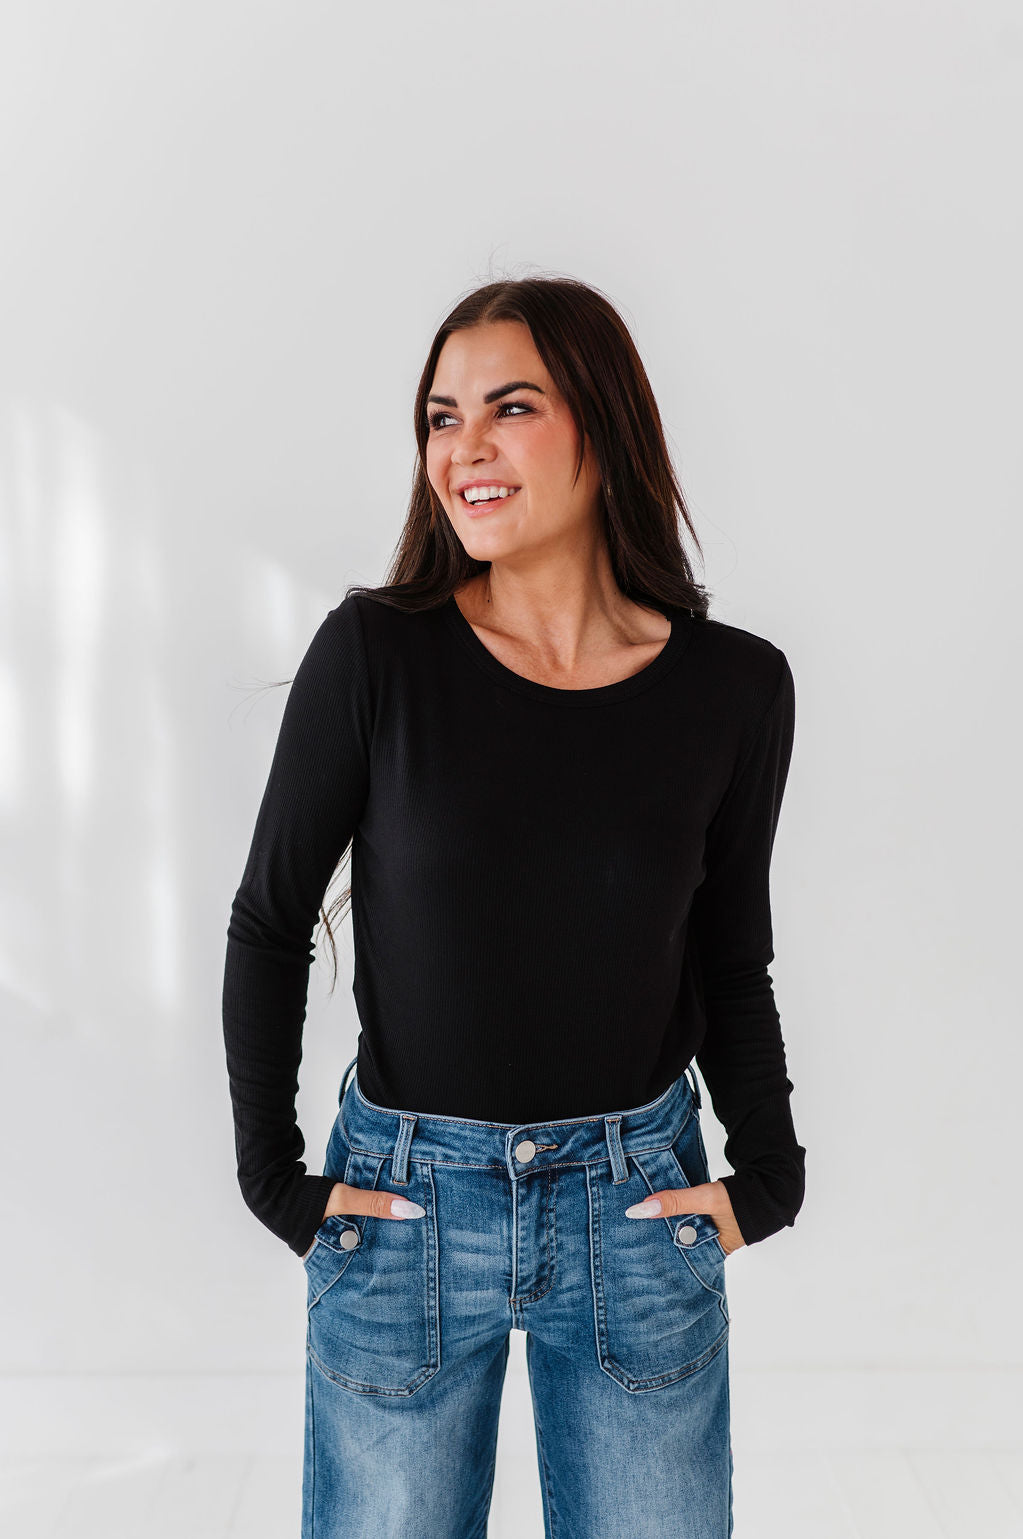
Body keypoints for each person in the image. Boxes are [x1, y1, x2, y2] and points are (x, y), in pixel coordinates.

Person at [222, 275, 806, 1539]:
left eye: (510, 408)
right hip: (407, 1208)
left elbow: (727, 955)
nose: (464, 449)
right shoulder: (376, 656)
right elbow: (269, 921)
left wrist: (769, 1176)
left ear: (604, 425)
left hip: (637, 1206)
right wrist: (276, 1182)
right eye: (442, 417)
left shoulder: (736, 690)